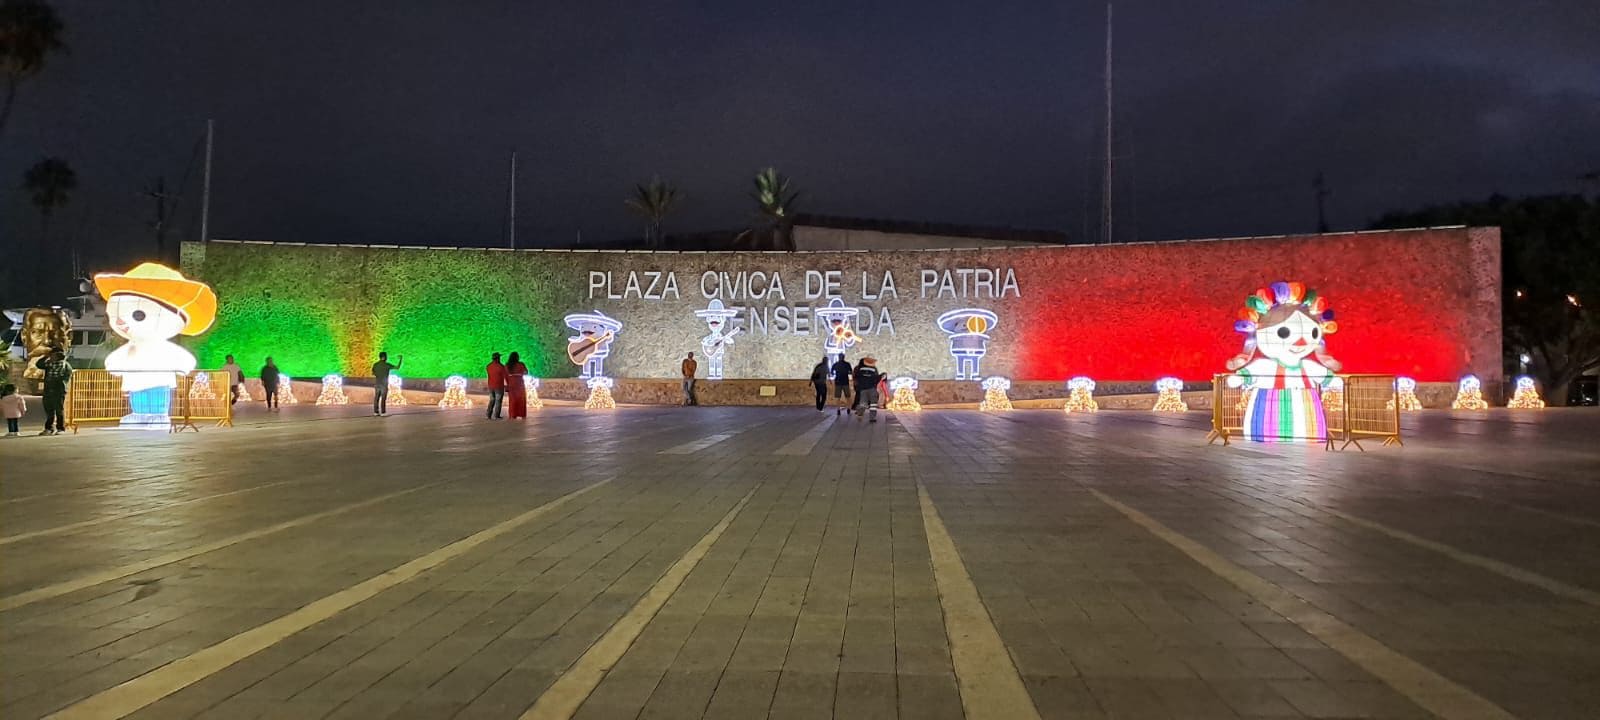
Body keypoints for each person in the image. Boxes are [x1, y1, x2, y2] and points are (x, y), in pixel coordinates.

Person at [35, 346, 71, 435]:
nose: (52, 356)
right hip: (48, 390)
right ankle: (49, 428)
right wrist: (45, 357)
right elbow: (39, 364)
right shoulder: (49, 364)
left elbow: (67, 376)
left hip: (59, 390)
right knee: (49, 410)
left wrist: (61, 383)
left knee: (59, 410)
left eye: (53, 355)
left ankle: (60, 428)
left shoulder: (65, 365)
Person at [852, 357, 883, 423]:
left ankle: (859, 412)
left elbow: (857, 378)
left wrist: (858, 386)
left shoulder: (859, 369)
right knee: (873, 404)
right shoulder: (874, 369)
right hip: (872, 388)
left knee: (863, 403)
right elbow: (876, 378)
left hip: (863, 389)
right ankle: (872, 418)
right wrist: (881, 376)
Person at [371, 351, 403, 416]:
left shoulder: (375, 364)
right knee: (383, 398)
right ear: (384, 357)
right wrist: (401, 359)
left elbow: (372, 373)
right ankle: (383, 412)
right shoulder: (387, 365)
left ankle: (376, 412)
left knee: (376, 398)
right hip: (384, 384)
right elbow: (397, 367)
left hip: (377, 383)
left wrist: (378, 374)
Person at [505, 352, 528, 419]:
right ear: (517, 357)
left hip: (511, 383)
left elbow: (505, 375)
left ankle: (512, 414)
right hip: (519, 382)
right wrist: (520, 373)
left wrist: (507, 384)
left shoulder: (507, 365)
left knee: (512, 400)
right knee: (521, 399)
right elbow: (526, 372)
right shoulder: (521, 364)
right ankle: (522, 414)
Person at [485, 352, 507, 419]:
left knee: (492, 400)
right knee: (498, 401)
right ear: (498, 358)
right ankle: (496, 415)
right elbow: (505, 375)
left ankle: (488, 414)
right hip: (499, 386)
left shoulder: (488, 366)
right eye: (499, 357)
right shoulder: (501, 367)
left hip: (490, 386)